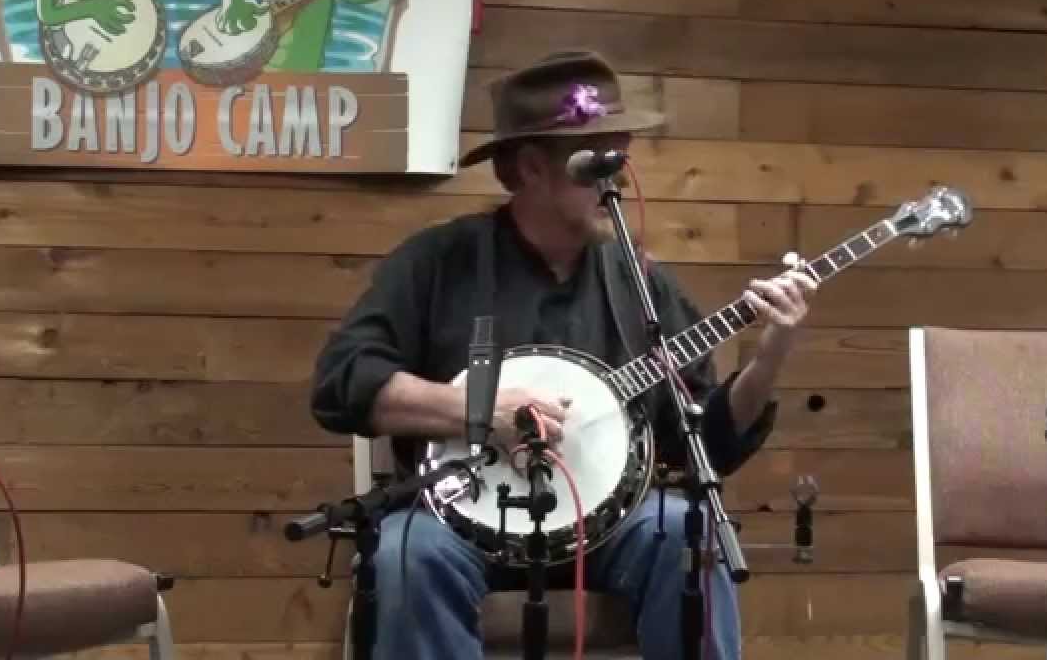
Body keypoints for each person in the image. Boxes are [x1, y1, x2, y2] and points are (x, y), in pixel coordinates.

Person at [310, 50, 817, 660]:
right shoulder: (437, 264)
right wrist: (478, 408)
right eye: (593, 163)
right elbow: (342, 382)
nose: (616, 179)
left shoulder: (641, 282)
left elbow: (707, 443)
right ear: (526, 169)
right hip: (461, 518)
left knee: (688, 533)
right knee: (402, 556)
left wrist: (769, 356)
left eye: (620, 158)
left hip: (611, 524)